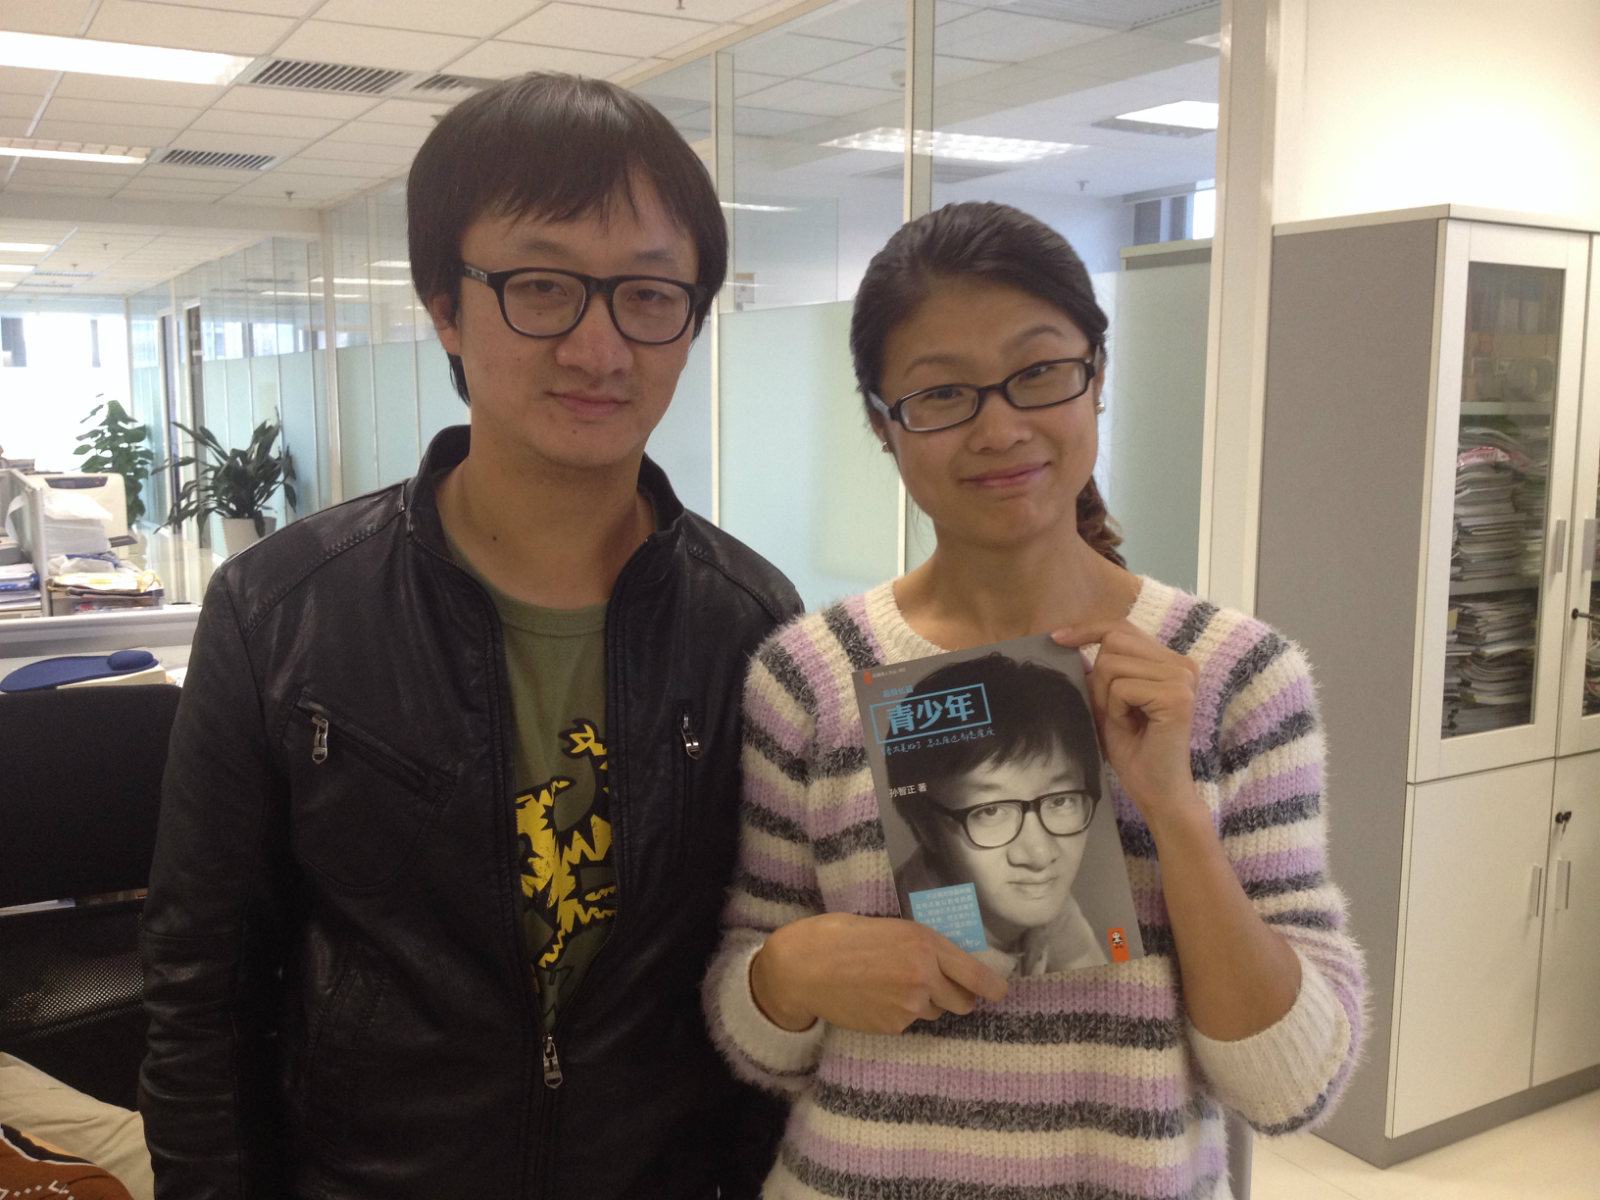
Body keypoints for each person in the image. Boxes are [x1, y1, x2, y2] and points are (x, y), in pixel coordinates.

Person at [139, 74, 800, 1200]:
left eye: (649, 295)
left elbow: (759, 974)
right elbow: (200, 991)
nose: (599, 349)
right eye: (542, 287)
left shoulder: (752, 624)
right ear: (445, 305)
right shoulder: (281, 610)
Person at [704, 201, 1366, 1198]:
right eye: (942, 394)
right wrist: (788, 974)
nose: (1001, 427)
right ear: (883, 425)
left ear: (1096, 378)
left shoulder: (1236, 678)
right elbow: (757, 1035)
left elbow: (1288, 1089)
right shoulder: (808, 676)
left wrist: (1175, 811)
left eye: (1040, 372)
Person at [884, 653, 1110, 977]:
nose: (1039, 855)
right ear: (925, 828)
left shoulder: (1047, 906)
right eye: (990, 810)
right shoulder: (904, 950)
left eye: (1060, 801)